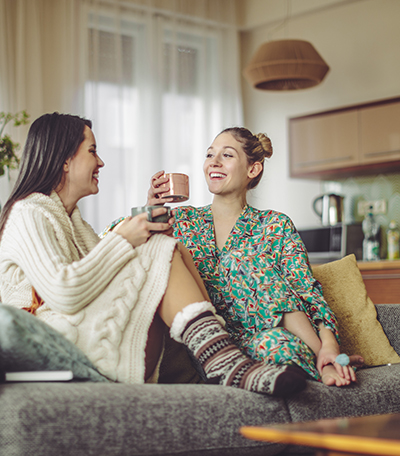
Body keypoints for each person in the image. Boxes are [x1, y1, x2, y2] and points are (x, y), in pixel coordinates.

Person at [0, 113, 307, 397]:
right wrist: (126, 236)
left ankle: (219, 357)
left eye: (227, 155)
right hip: (65, 342)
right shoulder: (28, 212)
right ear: (65, 160)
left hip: (93, 330)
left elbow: (113, 273)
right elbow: (66, 292)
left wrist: (147, 216)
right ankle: (221, 360)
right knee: (159, 246)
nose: (102, 162)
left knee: (164, 244)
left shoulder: (75, 223)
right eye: (93, 151)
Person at [147, 127, 364, 387]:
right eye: (209, 154)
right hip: (207, 346)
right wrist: (151, 211)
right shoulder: (181, 220)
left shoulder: (275, 224)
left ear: (253, 169)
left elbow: (307, 290)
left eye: (226, 155)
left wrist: (330, 343)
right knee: (238, 259)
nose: (213, 162)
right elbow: (118, 244)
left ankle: (325, 358)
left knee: (278, 345)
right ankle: (325, 362)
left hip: (259, 342)